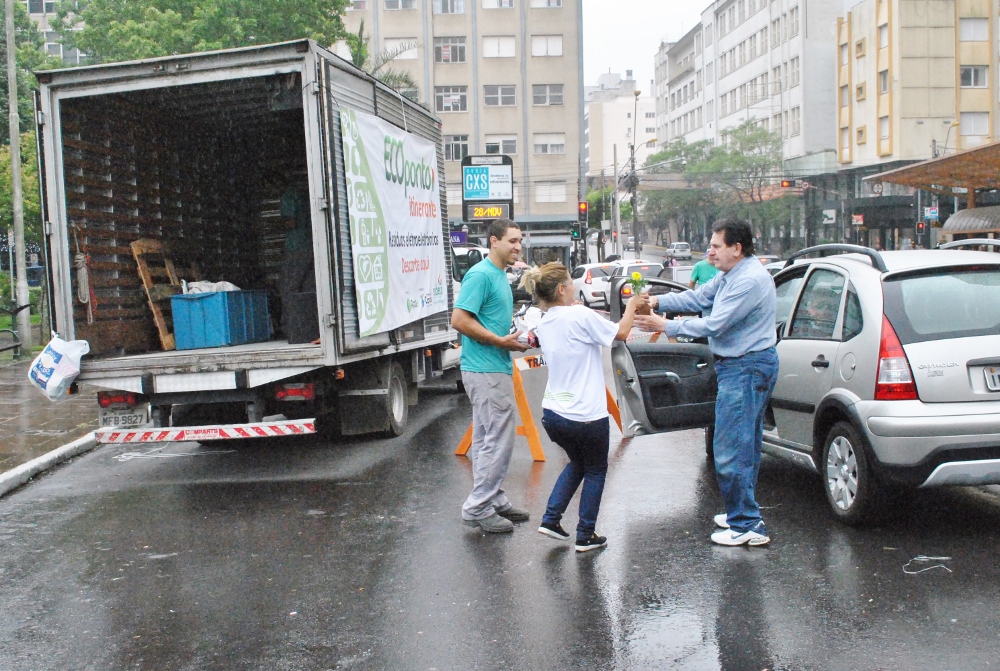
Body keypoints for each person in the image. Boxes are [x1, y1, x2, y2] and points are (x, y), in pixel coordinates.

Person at [634, 218, 778, 547]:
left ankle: (747, 526)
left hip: (747, 366)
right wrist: (658, 302)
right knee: (746, 446)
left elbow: (715, 324)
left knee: (731, 448)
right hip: (742, 365)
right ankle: (743, 512)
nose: (709, 251)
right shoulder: (733, 275)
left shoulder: (749, 281)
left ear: (736, 248)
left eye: (716, 246)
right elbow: (698, 299)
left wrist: (665, 326)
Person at [521, 263, 643, 552]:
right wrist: (633, 306)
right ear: (562, 289)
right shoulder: (580, 314)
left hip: (553, 414)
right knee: (597, 469)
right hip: (586, 415)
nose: (575, 286)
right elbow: (621, 333)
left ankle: (551, 519)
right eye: (570, 283)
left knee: (577, 463)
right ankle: (585, 534)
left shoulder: (545, 321)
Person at [451, 219, 531, 533]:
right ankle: (477, 508)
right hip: (485, 369)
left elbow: (489, 321)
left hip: (492, 367)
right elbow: (459, 319)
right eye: (512, 240)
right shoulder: (481, 275)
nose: (517, 246)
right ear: (494, 241)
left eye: (520, 240)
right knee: (498, 441)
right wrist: (500, 342)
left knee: (488, 440)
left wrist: (513, 335)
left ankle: (493, 499)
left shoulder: (499, 275)